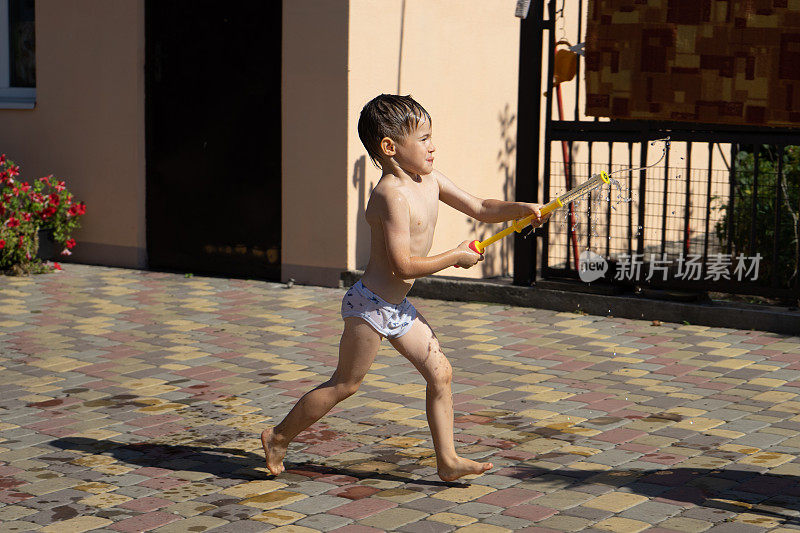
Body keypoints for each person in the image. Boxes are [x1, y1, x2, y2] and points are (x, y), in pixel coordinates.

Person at [262, 94, 550, 481]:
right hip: (370, 306)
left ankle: (447, 461)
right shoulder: (390, 195)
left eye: (432, 137)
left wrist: (521, 208)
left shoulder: (429, 180)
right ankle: (279, 436)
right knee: (346, 383)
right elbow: (402, 265)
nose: (433, 146)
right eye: (424, 138)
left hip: (397, 308)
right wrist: (455, 256)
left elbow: (481, 207)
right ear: (390, 147)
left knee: (440, 373)